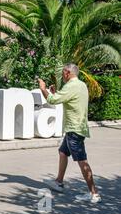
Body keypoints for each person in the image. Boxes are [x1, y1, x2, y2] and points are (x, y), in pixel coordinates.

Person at [38, 63, 101, 203]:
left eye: (63, 72)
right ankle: (59, 182)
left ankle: (94, 193)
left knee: (82, 161)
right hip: (77, 128)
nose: (62, 75)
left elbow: (52, 101)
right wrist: (55, 92)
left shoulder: (70, 86)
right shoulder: (81, 85)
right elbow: (67, 99)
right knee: (62, 152)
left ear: (67, 73)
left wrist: (43, 89)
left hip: (74, 129)